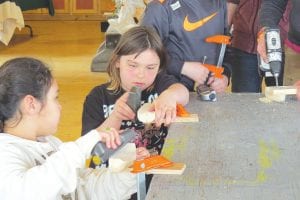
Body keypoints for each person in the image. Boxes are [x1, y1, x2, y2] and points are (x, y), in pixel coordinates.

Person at [0, 57, 137, 200]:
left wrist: (128, 175)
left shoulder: (50, 143)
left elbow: (83, 190)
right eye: (55, 98)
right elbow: (27, 192)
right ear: (31, 104)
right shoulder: (4, 154)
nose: (59, 106)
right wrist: (83, 145)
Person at [81, 26, 189, 164]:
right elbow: (90, 148)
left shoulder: (161, 85)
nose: (141, 74)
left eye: (150, 67)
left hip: (152, 173)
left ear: (159, 67)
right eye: (132, 65)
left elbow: (183, 92)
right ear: (117, 61)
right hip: (111, 177)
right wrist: (117, 116)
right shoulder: (98, 97)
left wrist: (169, 96)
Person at [141, 0, 231, 92]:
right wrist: (182, 67)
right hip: (170, 92)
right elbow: (144, 53)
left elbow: (226, 45)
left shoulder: (219, 3)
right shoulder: (160, 6)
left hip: (208, 93)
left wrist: (225, 76)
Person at [226, 0, 290, 92]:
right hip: (244, 44)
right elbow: (232, 2)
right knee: (245, 101)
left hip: (282, 46)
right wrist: (224, 31)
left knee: (284, 100)